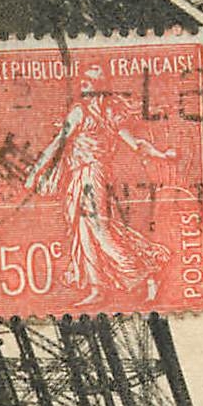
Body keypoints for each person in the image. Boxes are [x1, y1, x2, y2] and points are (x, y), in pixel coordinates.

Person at [23, 65, 175, 308]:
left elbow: (136, 144)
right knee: (83, 230)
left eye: (91, 80)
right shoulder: (84, 113)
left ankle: (146, 275)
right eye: (84, 79)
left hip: (92, 173)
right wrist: (36, 170)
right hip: (77, 175)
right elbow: (58, 144)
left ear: (100, 87)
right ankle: (97, 288)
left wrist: (162, 155)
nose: (84, 83)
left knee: (100, 230)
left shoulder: (101, 115)